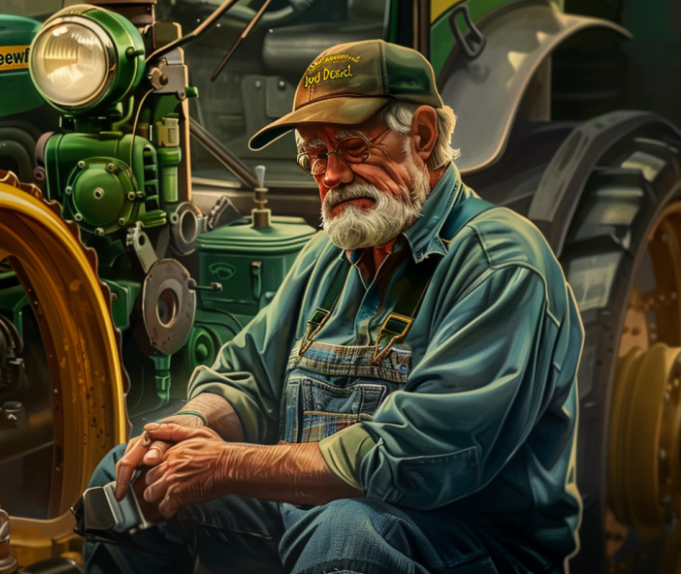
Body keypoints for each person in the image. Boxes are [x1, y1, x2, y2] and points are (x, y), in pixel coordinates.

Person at [83, 39, 583, 574]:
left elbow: (420, 455)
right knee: (130, 479)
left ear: (422, 135)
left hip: (470, 543)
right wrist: (183, 431)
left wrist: (226, 464)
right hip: (320, 521)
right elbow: (248, 379)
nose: (331, 175)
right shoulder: (329, 253)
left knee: (346, 534)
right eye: (316, 155)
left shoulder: (500, 264)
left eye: (352, 147)